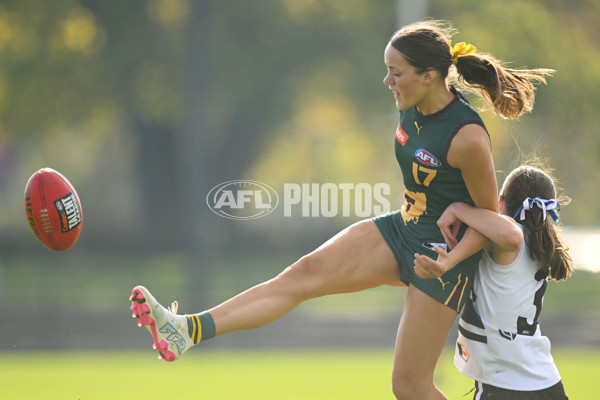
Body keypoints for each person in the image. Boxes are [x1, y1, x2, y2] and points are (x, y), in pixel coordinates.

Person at [130, 20, 553, 399]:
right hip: (400, 230)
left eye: (396, 72)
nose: (387, 79)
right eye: (387, 68)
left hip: (441, 261)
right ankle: (186, 330)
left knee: (409, 388)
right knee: (302, 275)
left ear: (428, 76)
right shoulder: (410, 105)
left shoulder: (467, 137)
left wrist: (450, 260)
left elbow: (491, 222)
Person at [414, 164, 572, 399]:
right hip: (546, 382)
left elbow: (509, 234)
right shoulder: (542, 242)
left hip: (505, 385)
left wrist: (459, 208)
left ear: (500, 202)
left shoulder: (507, 238)